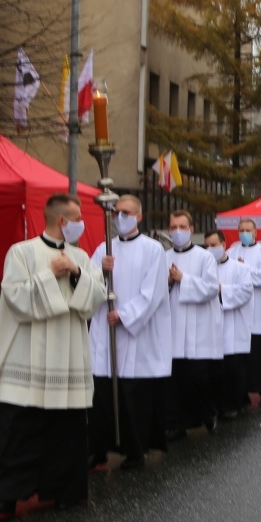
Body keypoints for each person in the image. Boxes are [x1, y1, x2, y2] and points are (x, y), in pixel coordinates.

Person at [0, 193, 107, 518]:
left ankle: (64, 490)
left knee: (66, 429)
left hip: (67, 357)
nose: (81, 225)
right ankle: (6, 496)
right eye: (78, 219)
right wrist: (50, 273)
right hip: (29, 355)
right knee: (19, 427)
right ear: (63, 221)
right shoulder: (21, 252)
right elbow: (16, 297)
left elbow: (95, 298)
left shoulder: (80, 256)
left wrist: (76, 272)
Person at [88, 194, 171, 470]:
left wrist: (124, 315)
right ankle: (98, 449)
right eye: (116, 213)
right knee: (102, 395)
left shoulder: (153, 249)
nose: (119, 218)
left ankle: (135, 450)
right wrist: (100, 270)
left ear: (139, 216)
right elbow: (88, 284)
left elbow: (154, 291)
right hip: (106, 332)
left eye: (126, 213)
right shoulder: (103, 249)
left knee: (132, 396)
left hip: (134, 332)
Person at [166, 210, 222, 438]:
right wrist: (168, 281)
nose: (177, 231)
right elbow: (154, 290)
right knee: (176, 379)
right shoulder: (163, 256)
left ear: (191, 229)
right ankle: (179, 424)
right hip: (173, 325)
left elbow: (211, 288)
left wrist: (183, 279)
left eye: (181, 226)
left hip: (199, 326)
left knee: (198, 377)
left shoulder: (204, 257)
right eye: (172, 227)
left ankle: (209, 414)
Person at [209, 229, 254, 420]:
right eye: (207, 246)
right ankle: (219, 405)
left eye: (214, 245)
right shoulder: (206, 269)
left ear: (223, 244)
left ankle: (233, 405)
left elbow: (245, 292)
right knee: (216, 371)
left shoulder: (240, 268)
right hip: (212, 327)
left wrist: (222, 290)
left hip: (234, 325)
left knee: (234, 369)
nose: (210, 249)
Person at [230, 217, 261, 405]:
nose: (245, 234)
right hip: (239, 307)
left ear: (256, 233)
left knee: (259, 351)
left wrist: (244, 269)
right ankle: (242, 391)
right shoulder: (231, 251)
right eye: (242, 230)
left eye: (248, 230)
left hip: (260, 308)